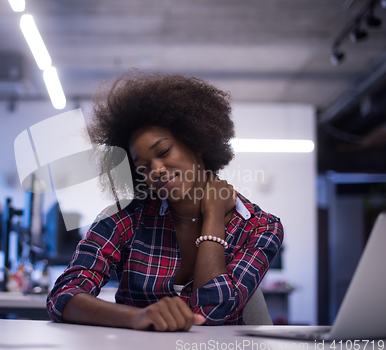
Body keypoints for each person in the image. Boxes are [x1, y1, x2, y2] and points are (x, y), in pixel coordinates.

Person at [46, 71, 283, 331]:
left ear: (197, 142)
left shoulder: (260, 227)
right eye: (144, 166)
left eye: (164, 151)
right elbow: (63, 295)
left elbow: (212, 311)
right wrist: (135, 317)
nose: (156, 170)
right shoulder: (126, 218)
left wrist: (214, 217)